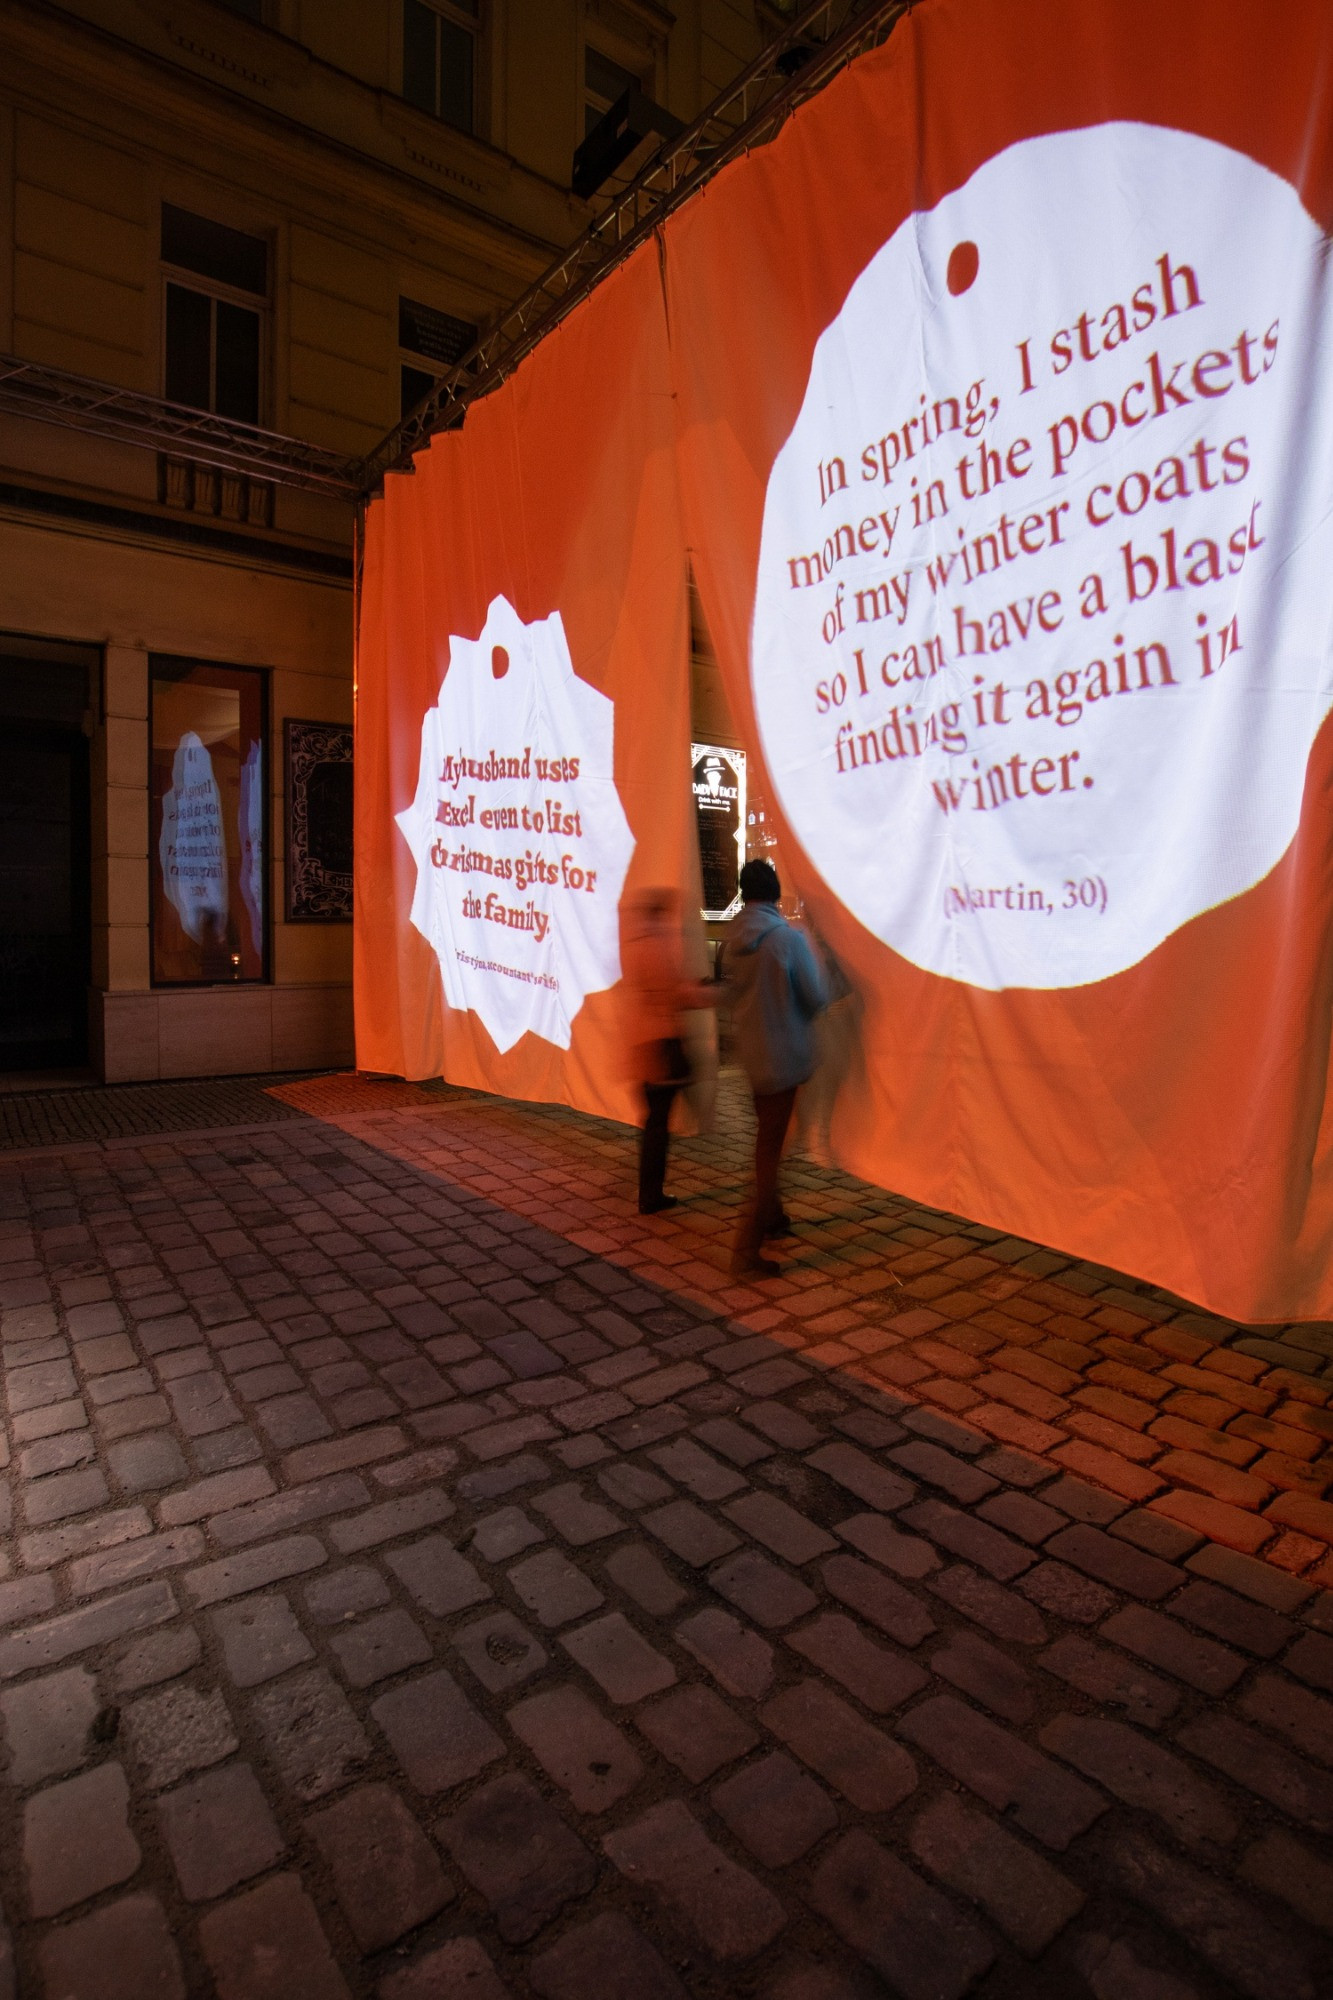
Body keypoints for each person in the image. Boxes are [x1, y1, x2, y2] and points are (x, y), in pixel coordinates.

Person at [722, 858, 828, 1277]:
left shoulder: (732, 940)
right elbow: (816, 997)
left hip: (753, 1056)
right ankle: (746, 1250)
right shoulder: (787, 938)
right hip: (785, 1056)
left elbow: (732, 994)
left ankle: (774, 1216)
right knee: (771, 1150)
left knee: (769, 1139)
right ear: (775, 893)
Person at [621, 887, 719, 1214]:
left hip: (645, 1041)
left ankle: (650, 1192)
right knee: (658, 1123)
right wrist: (706, 993)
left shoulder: (635, 942)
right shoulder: (659, 942)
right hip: (661, 1042)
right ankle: (651, 1195)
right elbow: (674, 992)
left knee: (655, 1120)